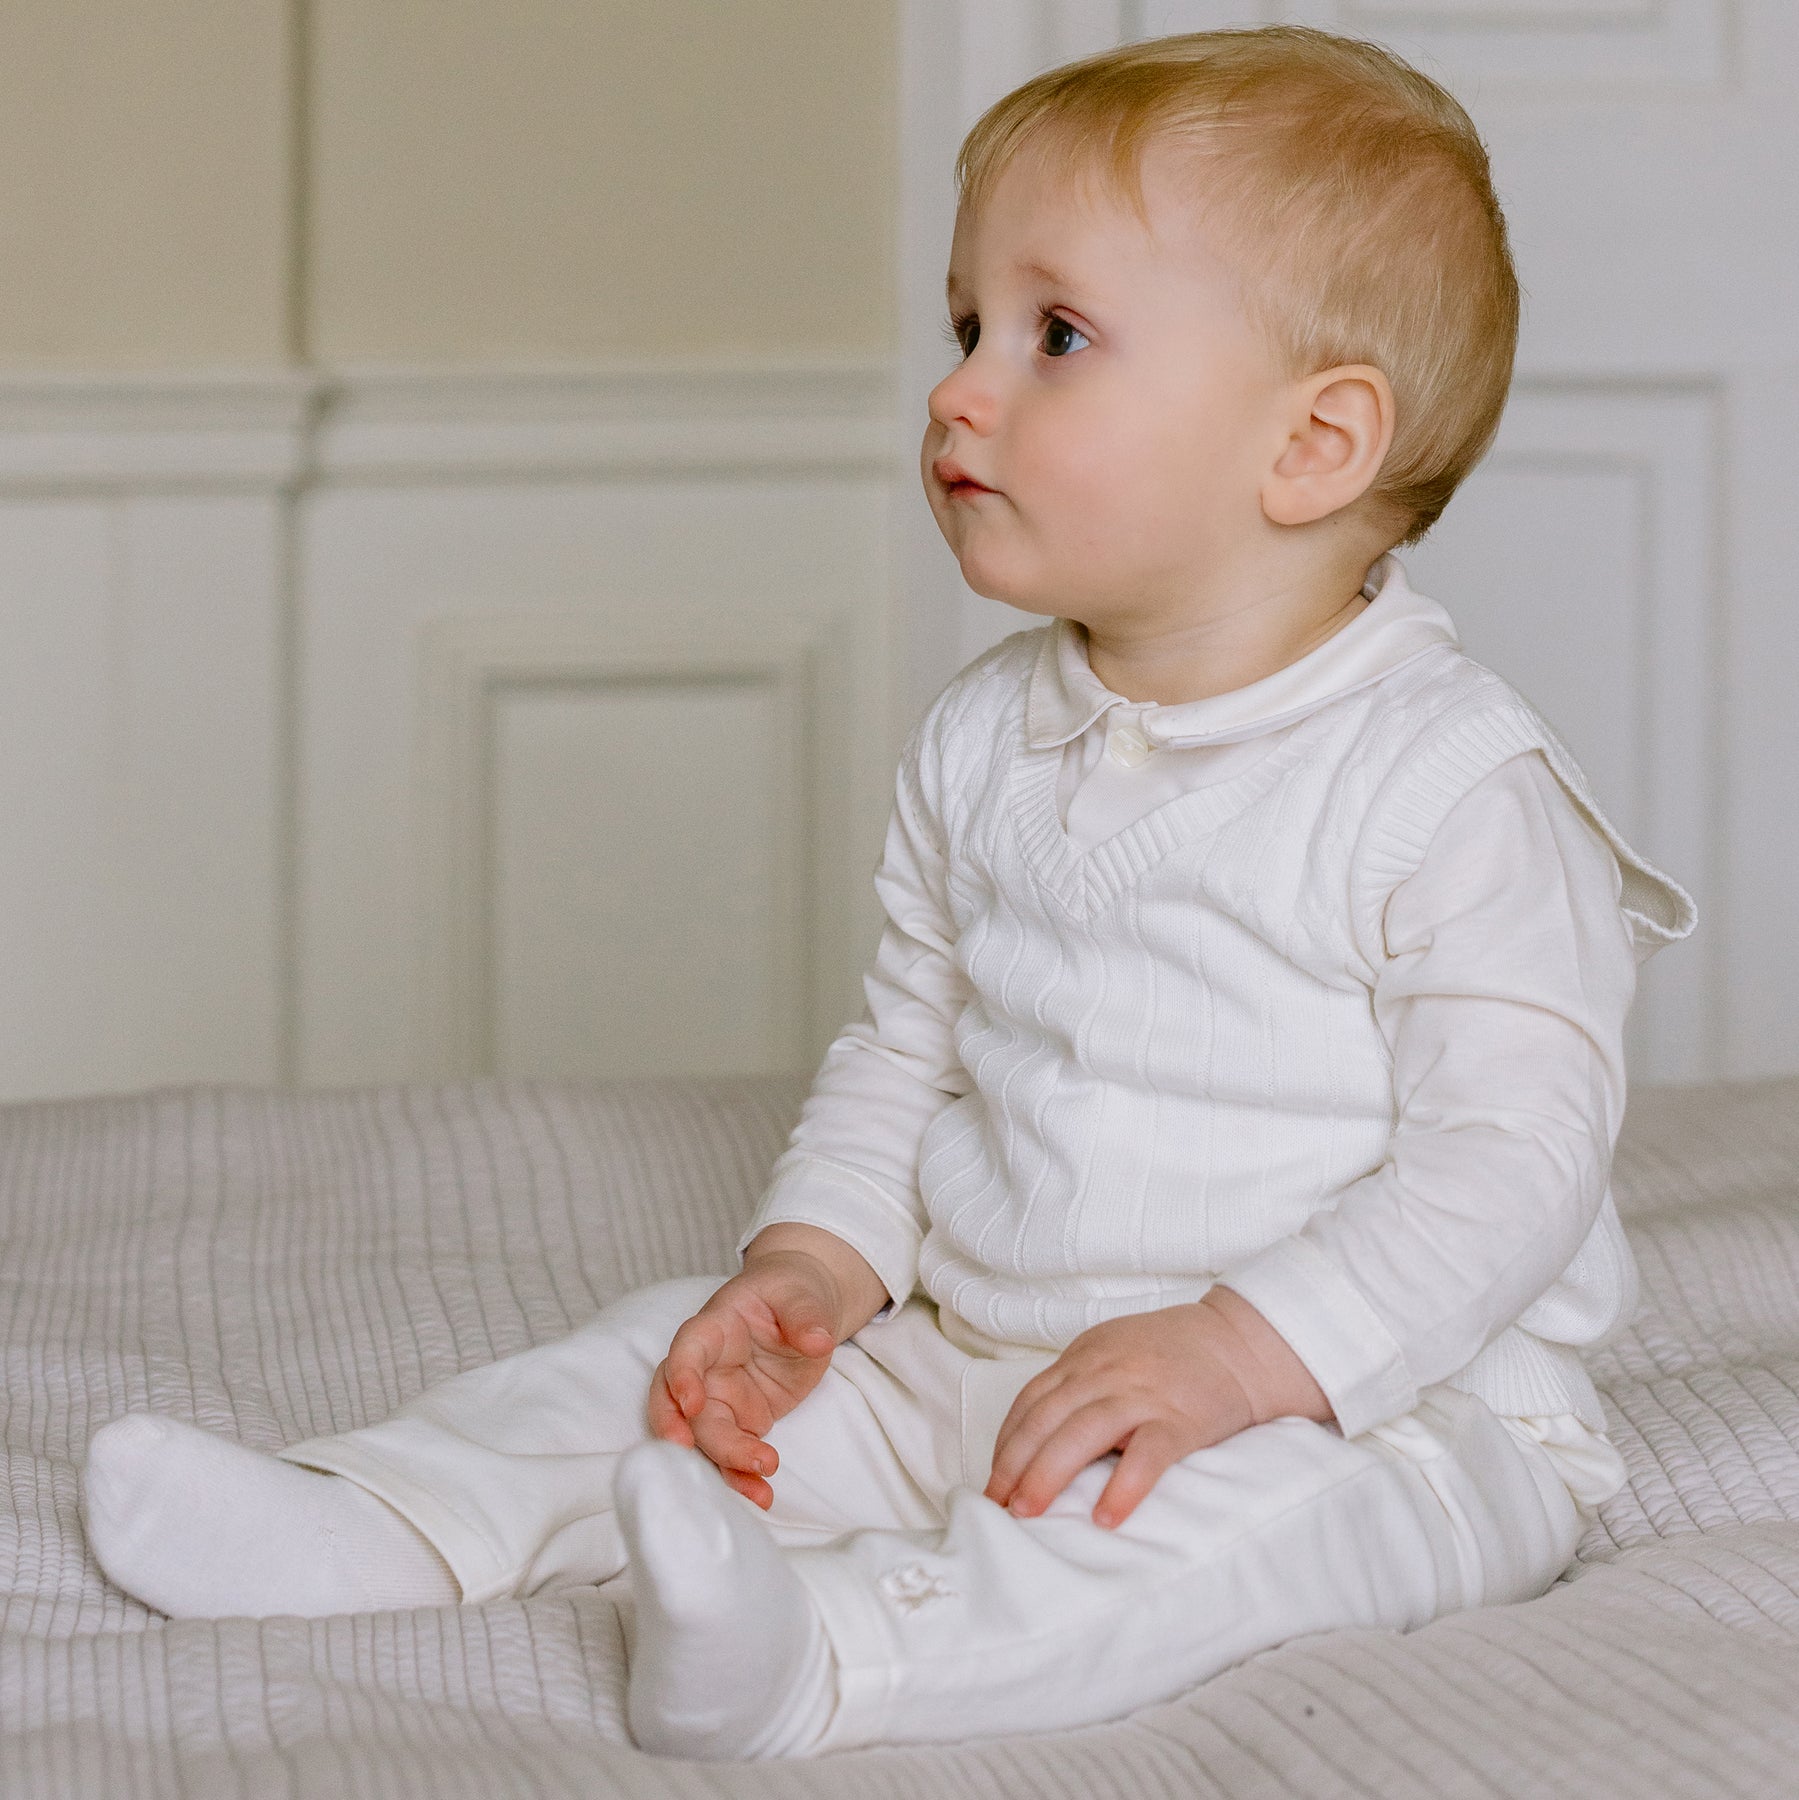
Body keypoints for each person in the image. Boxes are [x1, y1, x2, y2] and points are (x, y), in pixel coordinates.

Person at [79, 25, 1695, 1761]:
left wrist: (1241, 1354)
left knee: (1224, 1542)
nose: (959, 392)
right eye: (964, 327)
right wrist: (819, 1259)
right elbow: (909, 1046)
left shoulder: (1449, 784)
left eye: (1055, 336)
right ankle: (393, 1519)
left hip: (1374, 1410)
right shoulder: (988, 733)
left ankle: (829, 1653)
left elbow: (1513, 1160)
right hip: (974, 1351)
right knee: (661, 1372)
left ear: (1312, 444)